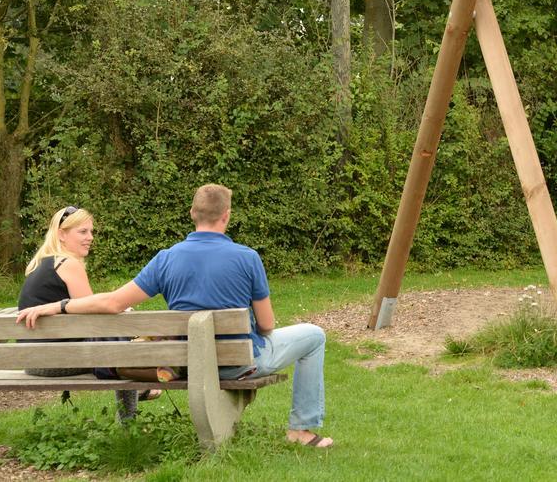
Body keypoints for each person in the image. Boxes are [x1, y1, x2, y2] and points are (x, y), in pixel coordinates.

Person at [17, 185, 332, 448]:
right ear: (227, 216)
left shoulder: (165, 259)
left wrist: (57, 306)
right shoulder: (248, 258)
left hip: (187, 361)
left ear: (193, 215)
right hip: (239, 363)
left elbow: (113, 303)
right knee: (314, 336)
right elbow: (266, 325)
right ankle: (301, 430)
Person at [18, 206, 159, 411]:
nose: (90, 237)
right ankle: (131, 414)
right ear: (61, 235)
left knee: (116, 339)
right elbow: (93, 321)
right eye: (83, 232)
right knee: (120, 343)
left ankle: (137, 394)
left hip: (32, 360)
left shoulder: (39, 264)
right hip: (58, 362)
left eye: (91, 231)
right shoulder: (67, 264)